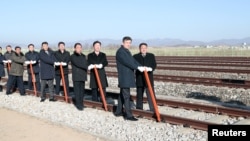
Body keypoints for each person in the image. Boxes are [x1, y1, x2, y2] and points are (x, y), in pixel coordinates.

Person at [114, 36, 144, 121]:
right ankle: (128, 115)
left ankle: (118, 111)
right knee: (126, 96)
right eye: (127, 42)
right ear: (123, 43)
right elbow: (128, 62)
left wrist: (141, 66)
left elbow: (133, 61)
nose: (128, 44)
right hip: (124, 77)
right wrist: (137, 67)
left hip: (127, 77)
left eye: (130, 43)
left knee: (122, 95)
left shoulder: (126, 51)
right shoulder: (120, 52)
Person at [133, 43, 157, 112]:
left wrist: (150, 68)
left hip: (149, 78)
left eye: (144, 48)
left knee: (150, 93)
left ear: (147, 48)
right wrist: (138, 68)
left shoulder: (151, 56)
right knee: (139, 94)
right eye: (142, 48)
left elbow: (154, 64)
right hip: (139, 78)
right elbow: (133, 65)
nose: (143, 49)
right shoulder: (135, 56)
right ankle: (139, 108)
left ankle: (153, 108)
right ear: (139, 49)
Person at [70, 43, 88, 111]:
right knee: (77, 91)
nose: (79, 48)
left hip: (83, 75)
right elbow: (78, 64)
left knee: (82, 91)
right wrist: (87, 67)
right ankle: (78, 105)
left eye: (80, 47)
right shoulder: (72, 56)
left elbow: (86, 62)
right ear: (74, 48)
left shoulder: (83, 56)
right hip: (76, 76)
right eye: (77, 47)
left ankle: (81, 103)